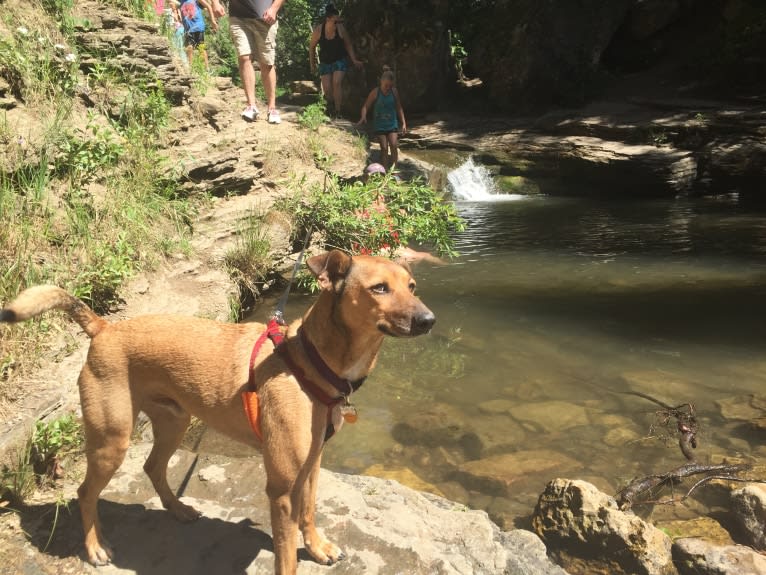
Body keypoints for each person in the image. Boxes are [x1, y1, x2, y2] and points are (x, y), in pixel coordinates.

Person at [211, 0, 284, 124]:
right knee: (244, 57)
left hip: (265, 18)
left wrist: (274, 8)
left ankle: (272, 108)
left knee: (266, 63)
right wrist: (215, 3)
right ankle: (251, 105)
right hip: (238, 18)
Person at [308, 3, 362, 118]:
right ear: (328, 19)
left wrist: (354, 60)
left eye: (339, 21)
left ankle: (339, 112)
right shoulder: (319, 30)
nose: (337, 24)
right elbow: (311, 47)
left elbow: (348, 45)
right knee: (327, 89)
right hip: (325, 61)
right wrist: (312, 64)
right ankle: (330, 108)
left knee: (336, 83)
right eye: (335, 21)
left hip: (339, 59)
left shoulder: (340, 29)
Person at [357, 66, 406, 171]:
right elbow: (366, 106)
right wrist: (363, 116)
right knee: (384, 148)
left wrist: (403, 122)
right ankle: (385, 171)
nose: (388, 87)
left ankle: (394, 170)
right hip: (380, 125)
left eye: (390, 85)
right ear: (381, 82)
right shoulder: (375, 92)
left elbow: (399, 107)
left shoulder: (394, 92)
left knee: (393, 145)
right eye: (386, 85)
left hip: (392, 124)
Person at [179, 0, 218, 71]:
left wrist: (212, 20)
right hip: (188, 29)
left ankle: (206, 69)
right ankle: (191, 69)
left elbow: (208, 6)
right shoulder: (181, 1)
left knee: (201, 47)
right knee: (189, 47)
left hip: (198, 26)